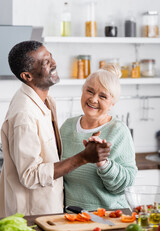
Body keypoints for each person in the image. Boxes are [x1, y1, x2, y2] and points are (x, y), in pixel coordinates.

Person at [0, 41, 111, 217]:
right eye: (45, 62)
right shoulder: (25, 115)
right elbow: (30, 175)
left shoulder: (45, 100)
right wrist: (83, 158)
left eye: (50, 56)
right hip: (31, 215)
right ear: (27, 76)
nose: (54, 63)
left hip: (47, 209)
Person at [60, 63, 138, 211]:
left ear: (112, 103)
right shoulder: (67, 127)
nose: (94, 99)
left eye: (103, 96)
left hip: (109, 218)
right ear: (82, 91)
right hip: (71, 217)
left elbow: (126, 185)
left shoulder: (118, 131)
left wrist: (103, 163)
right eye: (90, 91)